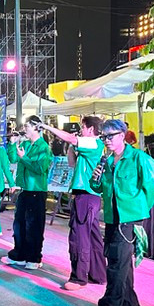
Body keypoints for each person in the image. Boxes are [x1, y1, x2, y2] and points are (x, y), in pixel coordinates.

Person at [89, 119, 154, 306]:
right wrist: (95, 179)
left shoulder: (139, 158)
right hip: (113, 216)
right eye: (104, 137)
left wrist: (139, 212)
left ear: (122, 135)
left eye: (110, 136)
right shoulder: (106, 161)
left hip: (130, 218)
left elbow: (152, 186)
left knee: (117, 263)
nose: (106, 140)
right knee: (120, 262)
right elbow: (99, 188)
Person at [40, 117, 107, 290]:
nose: (81, 130)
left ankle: (79, 278)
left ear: (91, 129)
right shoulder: (89, 148)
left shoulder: (93, 143)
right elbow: (72, 163)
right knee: (92, 236)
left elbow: (70, 138)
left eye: (83, 127)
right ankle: (97, 273)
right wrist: (72, 147)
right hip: (86, 195)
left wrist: (47, 127)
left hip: (86, 196)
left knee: (79, 237)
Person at [3, 116, 53, 270]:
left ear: (37, 128)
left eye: (27, 126)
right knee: (19, 224)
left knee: (34, 226)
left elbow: (39, 168)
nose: (24, 129)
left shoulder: (43, 147)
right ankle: (19, 254)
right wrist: (12, 145)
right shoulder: (25, 144)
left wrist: (23, 158)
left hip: (36, 191)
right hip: (24, 190)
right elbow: (12, 158)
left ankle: (34, 257)